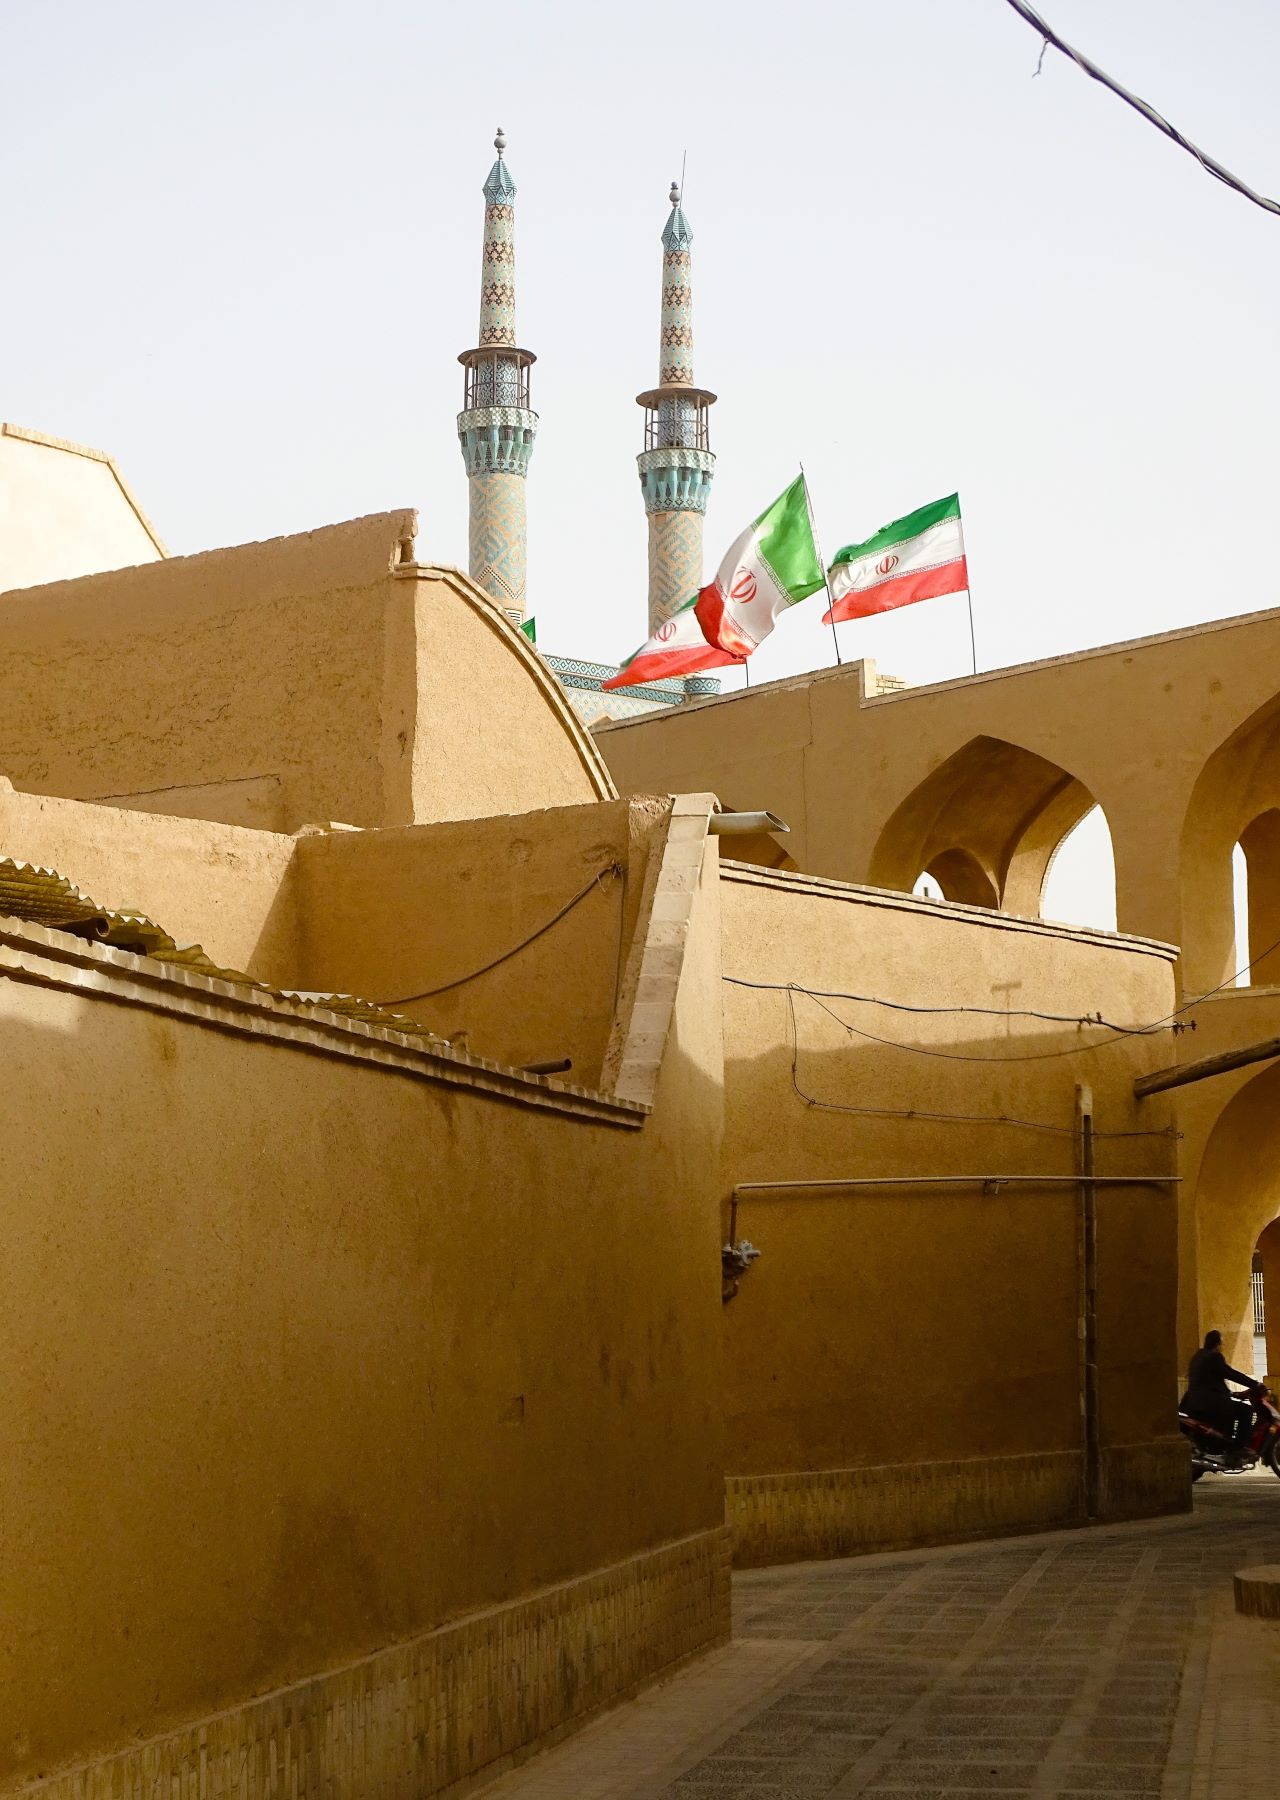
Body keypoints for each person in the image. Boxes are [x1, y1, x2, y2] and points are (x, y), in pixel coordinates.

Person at [1181, 1330, 1259, 1462]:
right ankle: (1239, 1448)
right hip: (1211, 1404)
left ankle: (1226, 1444)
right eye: (1222, 1344)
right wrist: (1255, 1384)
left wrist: (1233, 1394)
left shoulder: (1198, 1356)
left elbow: (1210, 1383)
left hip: (1194, 1403)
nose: (1222, 1347)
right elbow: (1231, 1373)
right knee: (1246, 1411)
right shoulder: (1214, 1357)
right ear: (1217, 1344)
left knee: (1234, 1408)